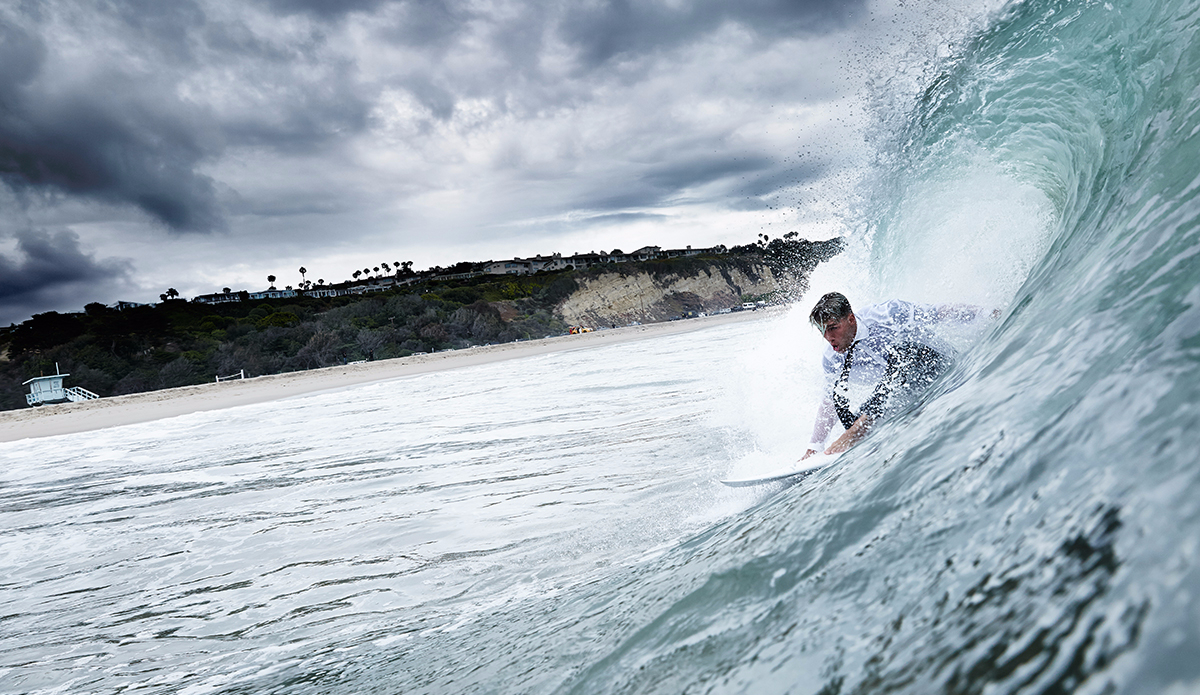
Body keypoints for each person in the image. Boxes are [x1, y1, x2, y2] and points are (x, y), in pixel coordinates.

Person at [801, 292, 995, 459]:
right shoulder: (832, 359)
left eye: (833, 327)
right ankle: (858, 433)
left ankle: (857, 431)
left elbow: (938, 312)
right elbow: (829, 402)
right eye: (822, 331)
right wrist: (814, 447)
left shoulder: (889, 314)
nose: (828, 337)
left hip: (940, 364)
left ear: (851, 319)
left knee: (902, 352)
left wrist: (987, 314)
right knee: (847, 407)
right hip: (909, 390)